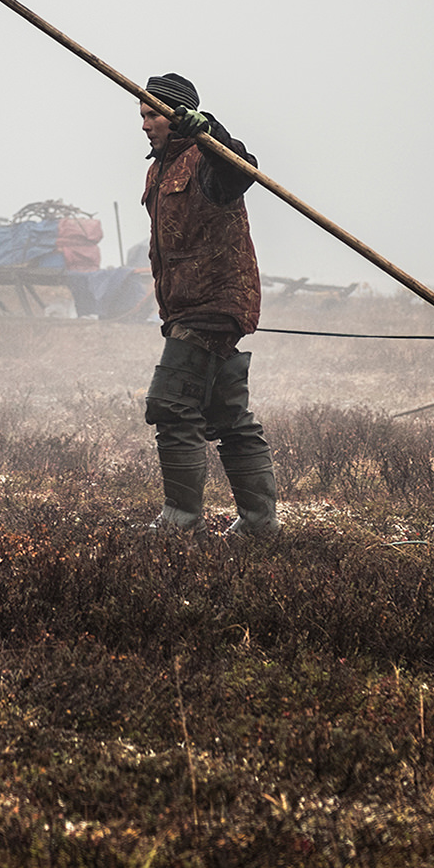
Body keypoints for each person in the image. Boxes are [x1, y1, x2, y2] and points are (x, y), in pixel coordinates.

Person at [137, 74, 276, 534]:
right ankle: (259, 526)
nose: (144, 125)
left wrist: (210, 130)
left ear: (176, 116)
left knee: (171, 404)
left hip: (213, 302)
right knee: (227, 415)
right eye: (141, 115)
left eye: (153, 114)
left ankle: (180, 520)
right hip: (184, 306)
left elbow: (243, 170)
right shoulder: (159, 169)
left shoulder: (207, 160)